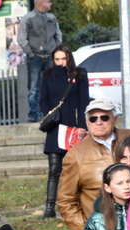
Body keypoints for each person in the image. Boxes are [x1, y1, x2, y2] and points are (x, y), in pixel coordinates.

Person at [57, 99, 130, 230]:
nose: (99, 122)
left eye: (104, 117)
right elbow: (65, 200)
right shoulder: (76, 155)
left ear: (115, 120)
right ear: (87, 123)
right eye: (93, 119)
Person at [39, 44, 90, 219]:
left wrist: (82, 125)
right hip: (55, 129)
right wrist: (49, 116)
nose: (60, 62)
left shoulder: (80, 74)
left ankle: (78, 204)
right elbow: (42, 100)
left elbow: (84, 101)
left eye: (63, 58)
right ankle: (49, 208)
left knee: (77, 168)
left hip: (74, 128)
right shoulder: (48, 75)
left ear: (69, 58)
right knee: (54, 169)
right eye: (57, 59)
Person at [18, 0, 62, 123]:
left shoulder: (52, 17)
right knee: (33, 88)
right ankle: (33, 115)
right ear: (41, 2)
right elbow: (21, 37)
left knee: (53, 86)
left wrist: (56, 51)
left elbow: (58, 35)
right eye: (49, 1)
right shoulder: (28, 18)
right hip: (35, 57)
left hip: (50, 57)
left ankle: (52, 113)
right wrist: (31, 53)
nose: (51, 4)